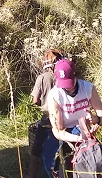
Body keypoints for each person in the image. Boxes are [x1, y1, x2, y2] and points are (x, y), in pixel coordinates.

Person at [47, 58, 102, 175]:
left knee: (99, 167)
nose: (67, 88)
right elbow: (58, 131)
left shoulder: (88, 88)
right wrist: (79, 139)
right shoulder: (55, 95)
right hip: (67, 136)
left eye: (69, 83)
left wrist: (95, 120)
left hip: (86, 132)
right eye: (64, 84)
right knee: (62, 170)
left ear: (75, 76)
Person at [27, 48, 64, 178]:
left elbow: (35, 100)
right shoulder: (63, 77)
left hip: (48, 119)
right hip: (64, 118)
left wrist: (43, 103)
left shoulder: (42, 78)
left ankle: (31, 175)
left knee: (35, 150)